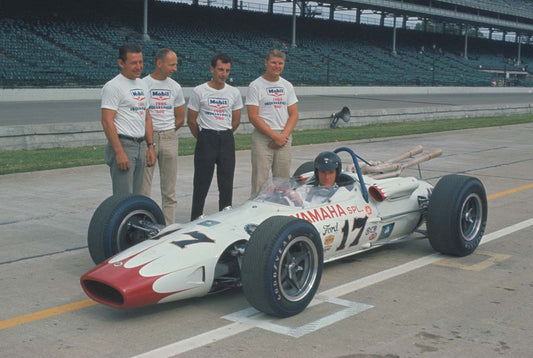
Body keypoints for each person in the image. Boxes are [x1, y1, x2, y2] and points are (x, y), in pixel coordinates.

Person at [187, 53, 243, 221]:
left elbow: (236, 120)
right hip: (206, 138)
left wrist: (224, 134)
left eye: (227, 70)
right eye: (220, 69)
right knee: (201, 182)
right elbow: (191, 120)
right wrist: (204, 137)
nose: (223, 74)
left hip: (226, 138)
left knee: (226, 183)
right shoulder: (199, 91)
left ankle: (225, 218)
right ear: (212, 69)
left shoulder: (234, 92)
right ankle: (196, 217)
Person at [101, 43, 156, 195]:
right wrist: (119, 152)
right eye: (133, 63)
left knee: (138, 196)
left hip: (141, 145)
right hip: (124, 145)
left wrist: (150, 146)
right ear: (121, 63)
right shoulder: (113, 86)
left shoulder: (143, 84)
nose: (139, 67)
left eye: (141, 62)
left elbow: (146, 117)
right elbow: (107, 121)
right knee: (123, 197)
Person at [141, 48, 185, 225]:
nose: (175, 68)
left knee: (169, 190)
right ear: (159, 63)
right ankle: (143, 224)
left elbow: (180, 117)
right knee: (143, 189)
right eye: (171, 64)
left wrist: (168, 131)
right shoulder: (143, 84)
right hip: (147, 139)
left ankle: (168, 226)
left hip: (169, 137)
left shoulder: (175, 87)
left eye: (176, 64)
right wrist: (151, 138)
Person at [246, 49, 299, 196]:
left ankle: (279, 212)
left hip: (284, 136)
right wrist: (274, 137)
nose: (277, 66)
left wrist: (282, 136)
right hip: (263, 138)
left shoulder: (287, 86)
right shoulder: (255, 85)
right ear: (266, 62)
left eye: (280, 63)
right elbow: (253, 116)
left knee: (282, 182)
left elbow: (294, 114)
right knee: (260, 182)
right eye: (273, 62)